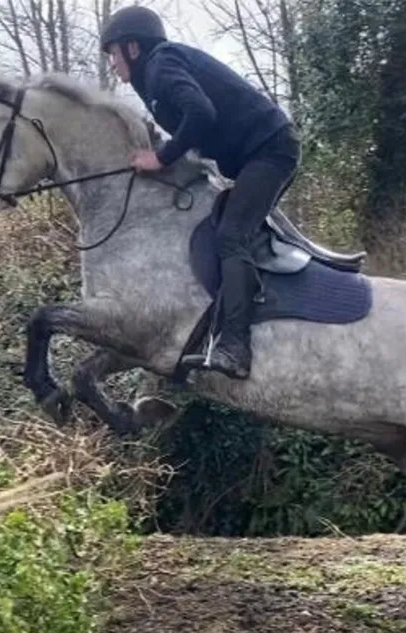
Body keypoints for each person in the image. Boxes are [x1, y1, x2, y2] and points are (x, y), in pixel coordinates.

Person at [100, 5, 300, 381]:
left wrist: (161, 157)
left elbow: (201, 113)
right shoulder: (153, 78)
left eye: (112, 53)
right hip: (254, 156)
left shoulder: (160, 64)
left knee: (230, 237)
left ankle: (236, 347)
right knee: (222, 229)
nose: (111, 64)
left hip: (270, 151)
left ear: (133, 48)